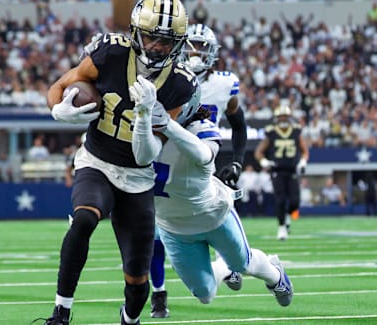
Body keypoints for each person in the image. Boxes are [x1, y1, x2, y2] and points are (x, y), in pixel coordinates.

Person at [38, 0, 196, 325]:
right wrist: (59, 111)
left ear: (179, 44)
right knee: (83, 220)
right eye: (152, 36)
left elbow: (147, 153)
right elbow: (61, 84)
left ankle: (129, 319)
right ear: (137, 31)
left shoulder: (180, 85)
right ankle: (61, 313)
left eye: (166, 41)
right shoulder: (109, 52)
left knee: (138, 281)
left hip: (138, 176)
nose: (156, 46)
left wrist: (143, 117)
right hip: (97, 161)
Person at [131, 91, 293, 308]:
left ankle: (275, 275)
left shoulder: (201, 128)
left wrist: (167, 125)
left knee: (242, 263)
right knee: (205, 293)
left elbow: (203, 155)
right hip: (174, 228)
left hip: (213, 215)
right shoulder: (139, 129)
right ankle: (225, 267)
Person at [148, 22, 249, 318]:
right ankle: (159, 294)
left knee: (215, 220)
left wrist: (238, 161)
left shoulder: (223, 85)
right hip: (162, 161)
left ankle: (227, 263)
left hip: (201, 166)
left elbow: (239, 124)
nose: (195, 54)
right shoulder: (163, 78)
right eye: (190, 46)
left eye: (202, 47)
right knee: (156, 235)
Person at [254, 105, 309, 240]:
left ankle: (288, 216)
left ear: (289, 117)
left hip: (292, 170)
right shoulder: (271, 132)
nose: (283, 119)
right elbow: (258, 152)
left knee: (295, 202)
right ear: (277, 118)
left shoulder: (296, 131)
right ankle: (282, 227)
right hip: (277, 170)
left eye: (285, 116)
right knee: (280, 200)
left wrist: (303, 162)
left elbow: (305, 151)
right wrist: (264, 162)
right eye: (281, 117)